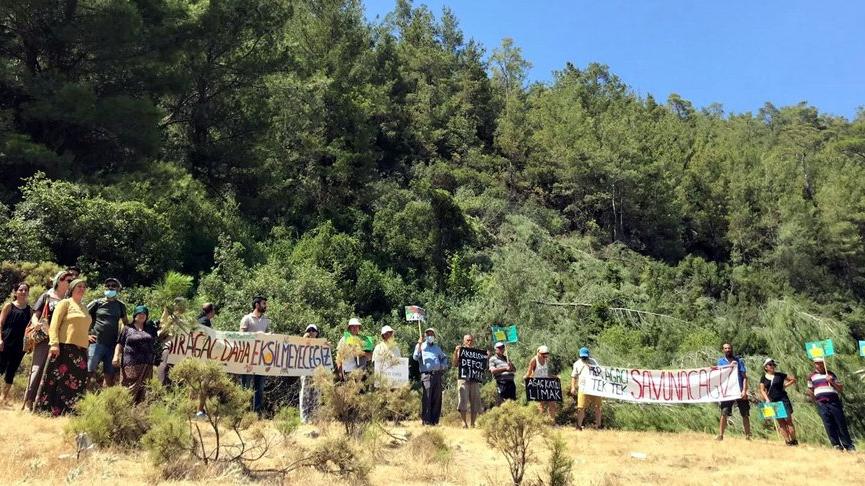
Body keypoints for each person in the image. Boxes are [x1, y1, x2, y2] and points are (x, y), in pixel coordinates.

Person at [36, 279, 92, 416]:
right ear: (72, 289)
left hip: (81, 350)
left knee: (76, 381)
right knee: (56, 380)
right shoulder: (64, 303)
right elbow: (54, 325)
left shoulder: (85, 307)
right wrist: (54, 343)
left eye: (84, 287)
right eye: (78, 286)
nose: (81, 289)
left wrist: (87, 337)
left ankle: (70, 412)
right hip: (63, 347)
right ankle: (48, 410)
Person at [24, 270, 72, 410]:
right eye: (68, 281)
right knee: (38, 368)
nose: (70, 283)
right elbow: (35, 314)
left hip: (62, 339)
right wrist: (35, 324)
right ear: (59, 280)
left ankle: (45, 403)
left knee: (55, 371)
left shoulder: (69, 299)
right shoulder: (47, 295)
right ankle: (29, 401)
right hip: (45, 336)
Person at [87, 277, 129, 388]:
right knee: (89, 371)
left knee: (109, 375)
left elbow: (125, 323)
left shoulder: (121, 306)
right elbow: (83, 316)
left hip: (112, 345)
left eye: (113, 286)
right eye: (108, 286)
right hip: (96, 342)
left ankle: (106, 399)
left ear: (118, 289)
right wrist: (87, 334)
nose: (110, 287)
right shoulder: (96, 303)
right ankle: (85, 397)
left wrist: (123, 341)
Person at [807, 357, 855, 451]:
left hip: (833, 402)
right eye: (817, 363)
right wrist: (814, 400)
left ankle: (848, 446)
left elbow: (840, 389)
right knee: (828, 424)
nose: (819, 365)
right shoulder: (811, 376)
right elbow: (810, 390)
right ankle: (836, 445)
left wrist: (831, 381)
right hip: (821, 403)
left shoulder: (831, 374)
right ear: (814, 364)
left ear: (824, 363)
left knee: (840, 423)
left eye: (821, 363)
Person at [112, 305, 157, 404]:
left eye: (144, 314)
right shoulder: (127, 328)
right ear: (135, 315)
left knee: (145, 388)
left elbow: (158, 338)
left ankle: (140, 413)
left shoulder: (150, 329)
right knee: (129, 388)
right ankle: (123, 410)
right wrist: (116, 356)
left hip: (147, 364)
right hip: (131, 363)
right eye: (139, 314)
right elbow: (120, 343)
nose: (142, 316)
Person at [0, 283, 32, 402]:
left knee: (11, 371)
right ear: (15, 292)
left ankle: (3, 398)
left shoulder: (30, 310)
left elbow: (31, 329)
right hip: (5, 343)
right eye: (21, 289)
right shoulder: (9, 306)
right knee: (0, 367)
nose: (23, 292)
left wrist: (29, 345)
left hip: (19, 346)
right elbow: (0, 324)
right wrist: (0, 340)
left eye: (26, 290)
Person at [239, 296, 270, 413]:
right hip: (247, 358)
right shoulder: (246, 319)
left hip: (261, 359)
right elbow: (241, 336)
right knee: (245, 386)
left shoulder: (266, 320)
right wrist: (257, 334)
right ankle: (243, 412)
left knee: (260, 387)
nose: (265, 306)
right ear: (257, 305)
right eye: (263, 304)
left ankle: (257, 413)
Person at [716, 343, 751, 440]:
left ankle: (748, 436)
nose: (727, 350)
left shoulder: (739, 361)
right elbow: (718, 375)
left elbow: (744, 377)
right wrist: (729, 367)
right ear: (723, 350)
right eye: (725, 348)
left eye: (729, 348)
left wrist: (744, 390)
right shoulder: (720, 362)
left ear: (732, 349)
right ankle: (721, 435)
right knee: (724, 413)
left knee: (745, 414)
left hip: (739, 391)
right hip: (728, 392)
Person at [413, 328, 448, 425]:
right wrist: (419, 345)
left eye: (432, 334)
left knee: (437, 397)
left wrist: (443, 365)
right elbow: (415, 357)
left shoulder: (437, 348)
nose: (430, 336)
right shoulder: (421, 346)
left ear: (434, 336)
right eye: (428, 334)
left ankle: (435, 421)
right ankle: (426, 421)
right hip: (426, 374)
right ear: (424, 336)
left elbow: (444, 358)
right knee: (427, 397)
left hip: (437, 374)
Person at [759, 358, 797, 445]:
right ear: (765, 367)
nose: (772, 366)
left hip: (783, 399)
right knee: (781, 422)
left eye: (773, 364)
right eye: (770, 364)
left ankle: (794, 440)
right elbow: (762, 390)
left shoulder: (780, 375)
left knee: (788, 420)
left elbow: (793, 379)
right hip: (774, 401)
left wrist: (785, 386)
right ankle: (788, 441)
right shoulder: (763, 378)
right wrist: (767, 399)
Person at [453, 334, 483, 428]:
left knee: (475, 400)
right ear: (464, 341)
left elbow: (482, 365)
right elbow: (455, 364)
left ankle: (473, 423)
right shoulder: (460, 351)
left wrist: (486, 356)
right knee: (463, 400)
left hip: (474, 379)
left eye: (471, 340)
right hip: (463, 379)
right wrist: (455, 352)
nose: (469, 342)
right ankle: (464, 422)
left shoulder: (476, 353)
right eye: (467, 340)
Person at [570, 347, 601, 429]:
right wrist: (573, 387)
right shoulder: (576, 364)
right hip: (583, 388)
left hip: (594, 388)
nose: (584, 358)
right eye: (582, 356)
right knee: (581, 407)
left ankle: (599, 425)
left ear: (588, 355)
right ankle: (579, 426)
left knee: (597, 407)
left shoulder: (593, 361)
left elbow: (600, 372)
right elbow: (573, 376)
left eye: (585, 356)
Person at [526, 345, 557, 420]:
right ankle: (540, 422)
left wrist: (555, 377)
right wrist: (527, 379)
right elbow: (529, 373)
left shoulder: (546, 359)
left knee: (552, 403)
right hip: (538, 384)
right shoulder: (534, 360)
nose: (545, 355)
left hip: (546, 383)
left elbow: (547, 373)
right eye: (543, 354)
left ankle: (552, 421)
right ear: (538, 353)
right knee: (541, 405)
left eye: (546, 354)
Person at [299, 324, 321, 423]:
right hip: (305, 373)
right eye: (309, 330)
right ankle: (304, 418)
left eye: (313, 330)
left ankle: (315, 417)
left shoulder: (321, 344)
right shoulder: (301, 343)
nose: (311, 332)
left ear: (317, 333)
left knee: (316, 395)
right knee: (305, 395)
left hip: (317, 374)